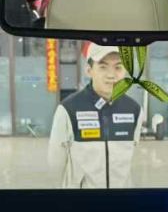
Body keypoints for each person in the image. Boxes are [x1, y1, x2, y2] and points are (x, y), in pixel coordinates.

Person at [47, 43, 145, 188]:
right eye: (103, 67)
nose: (111, 75)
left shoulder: (134, 109)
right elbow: (56, 163)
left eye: (118, 67)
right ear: (89, 70)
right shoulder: (68, 109)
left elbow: (132, 160)